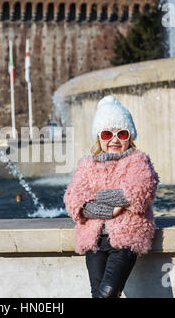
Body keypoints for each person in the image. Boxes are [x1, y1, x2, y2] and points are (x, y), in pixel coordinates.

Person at [63, 95, 160, 298]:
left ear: (130, 137)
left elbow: (140, 189)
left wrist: (95, 196)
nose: (114, 140)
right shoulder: (87, 164)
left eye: (121, 134)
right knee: (97, 293)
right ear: (99, 137)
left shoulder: (138, 161)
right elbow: (74, 199)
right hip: (94, 240)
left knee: (107, 293)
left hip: (126, 238)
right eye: (107, 134)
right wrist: (110, 209)